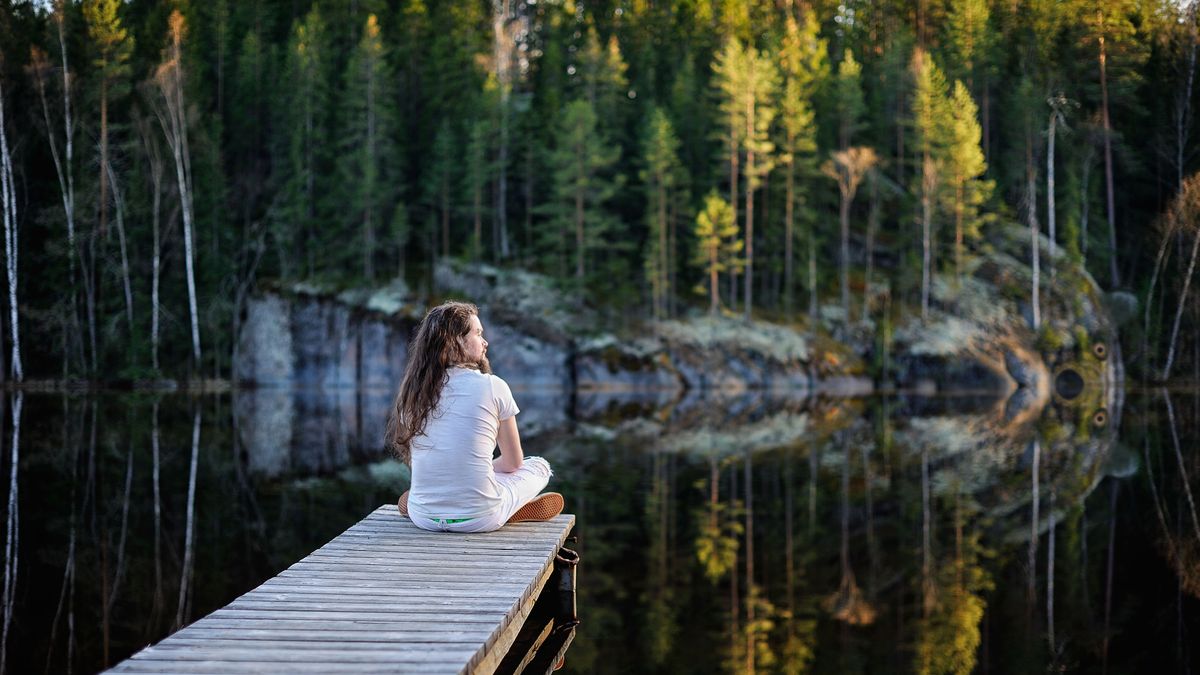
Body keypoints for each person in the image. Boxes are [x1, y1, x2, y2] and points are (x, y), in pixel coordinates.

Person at [386, 301, 563, 532]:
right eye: (478, 333)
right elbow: (513, 463)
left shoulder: (412, 393)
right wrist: (477, 468)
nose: (485, 342)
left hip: (423, 517)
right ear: (456, 341)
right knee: (539, 466)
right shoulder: (493, 386)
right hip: (481, 518)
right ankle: (508, 508)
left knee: (464, 474)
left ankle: (426, 500)